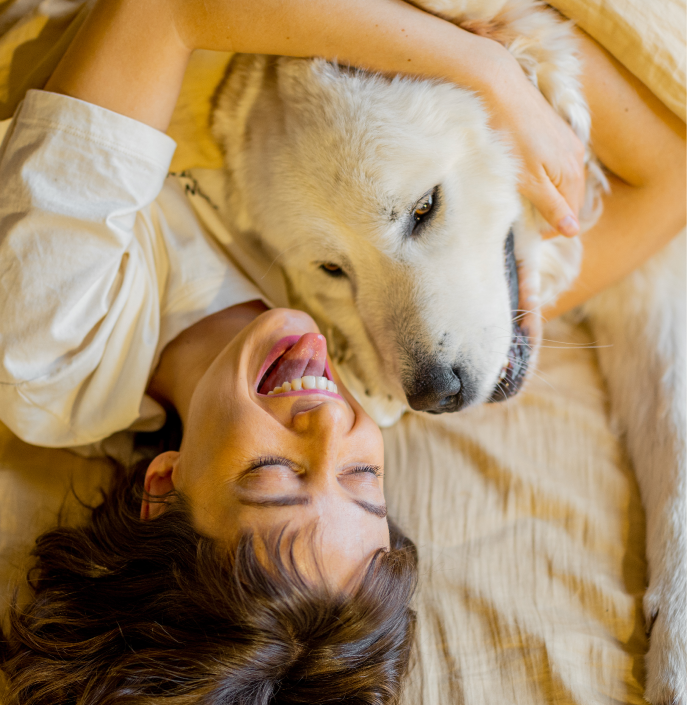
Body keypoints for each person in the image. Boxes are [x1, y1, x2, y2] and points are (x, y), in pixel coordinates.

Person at [0, 0, 684, 701]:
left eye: (273, 473)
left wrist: (484, 71)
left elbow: (162, 11)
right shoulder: (380, 375)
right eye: (362, 481)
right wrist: (505, 42)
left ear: (164, 486)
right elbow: (668, 179)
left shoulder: (52, 350)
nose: (331, 425)